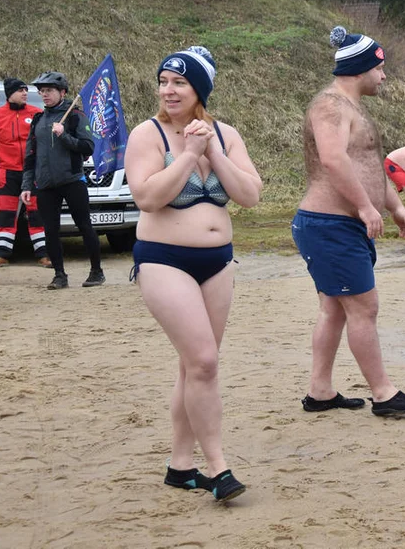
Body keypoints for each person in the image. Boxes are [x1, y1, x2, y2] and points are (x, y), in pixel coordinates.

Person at [124, 46, 262, 502]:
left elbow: (250, 195)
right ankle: (218, 467)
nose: (168, 90)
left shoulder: (226, 133)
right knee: (204, 361)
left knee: (194, 365)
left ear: (199, 89)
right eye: (164, 81)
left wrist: (213, 152)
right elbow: (147, 197)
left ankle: (180, 466)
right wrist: (187, 155)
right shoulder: (148, 135)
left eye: (179, 82)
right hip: (164, 258)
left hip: (217, 262)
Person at [293, 26, 405, 417]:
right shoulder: (330, 106)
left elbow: (367, 167)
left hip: (338, 225)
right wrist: (366, 208)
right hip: (329, 224)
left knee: (335, 309)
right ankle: (384, 395)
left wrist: (394, 206)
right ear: (361, 68)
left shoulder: (351, 107)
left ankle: (319, 392)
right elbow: (334, 160)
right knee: (364, 308)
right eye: (380, 67)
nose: (383, 76)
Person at [20, 71, 105, 290]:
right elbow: (30, 156)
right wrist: (27, 185)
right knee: (50, 230)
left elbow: (88, 147)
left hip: (73, 180)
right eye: (42, 91)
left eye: (49, 91)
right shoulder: (38, 120)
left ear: (62, 92)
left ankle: (97, 272)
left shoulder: (76, 115)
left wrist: (63, 135)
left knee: (85, 226)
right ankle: (60, 275)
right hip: (46, 185)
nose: (44, 95)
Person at [0, 78, 49, 268]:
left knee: (37, 214)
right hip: (7, 174)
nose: (25, 93)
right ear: (10, 93)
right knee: (5, 215)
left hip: (32, 173)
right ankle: (1, 255)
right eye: (20, 90)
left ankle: (44, 255)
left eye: (26, 90)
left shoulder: (37, 114)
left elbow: (45, 142)